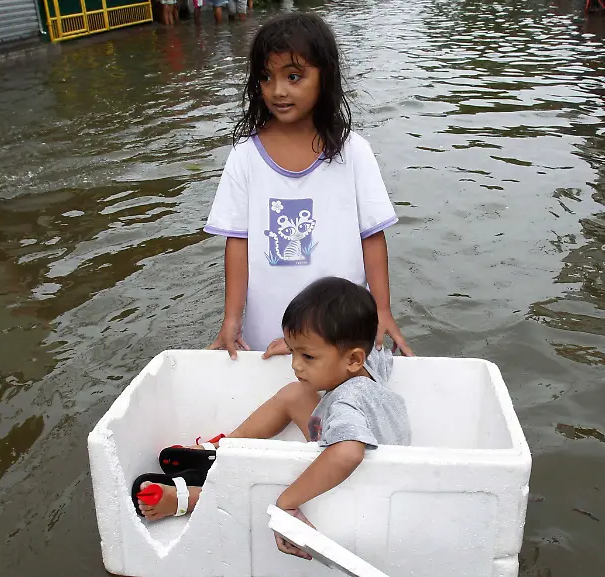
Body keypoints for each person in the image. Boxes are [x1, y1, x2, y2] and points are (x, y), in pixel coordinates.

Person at [133, 277, 411, 559]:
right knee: (296, 393)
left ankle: (190, 499)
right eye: (293, 352)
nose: (295, 364)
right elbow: (378, 350)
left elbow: (348, 454)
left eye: (307, 357)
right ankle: (225, 447)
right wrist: (301, 346)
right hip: (374, 459)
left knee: (274, 483)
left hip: (354, 483)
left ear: (352, 359)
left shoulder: (345, 405)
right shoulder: (369, 365)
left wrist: (287, 502)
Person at [203, 13, 413, 359]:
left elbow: (372, 236)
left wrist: (383, 311)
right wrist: (231, 318)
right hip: (266, 326)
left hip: (339, 329)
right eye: (266, 78)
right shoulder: (245, 156)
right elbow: (237, 243)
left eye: (294, 76)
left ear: (324, 77)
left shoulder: (352, 152)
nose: (277, 90)